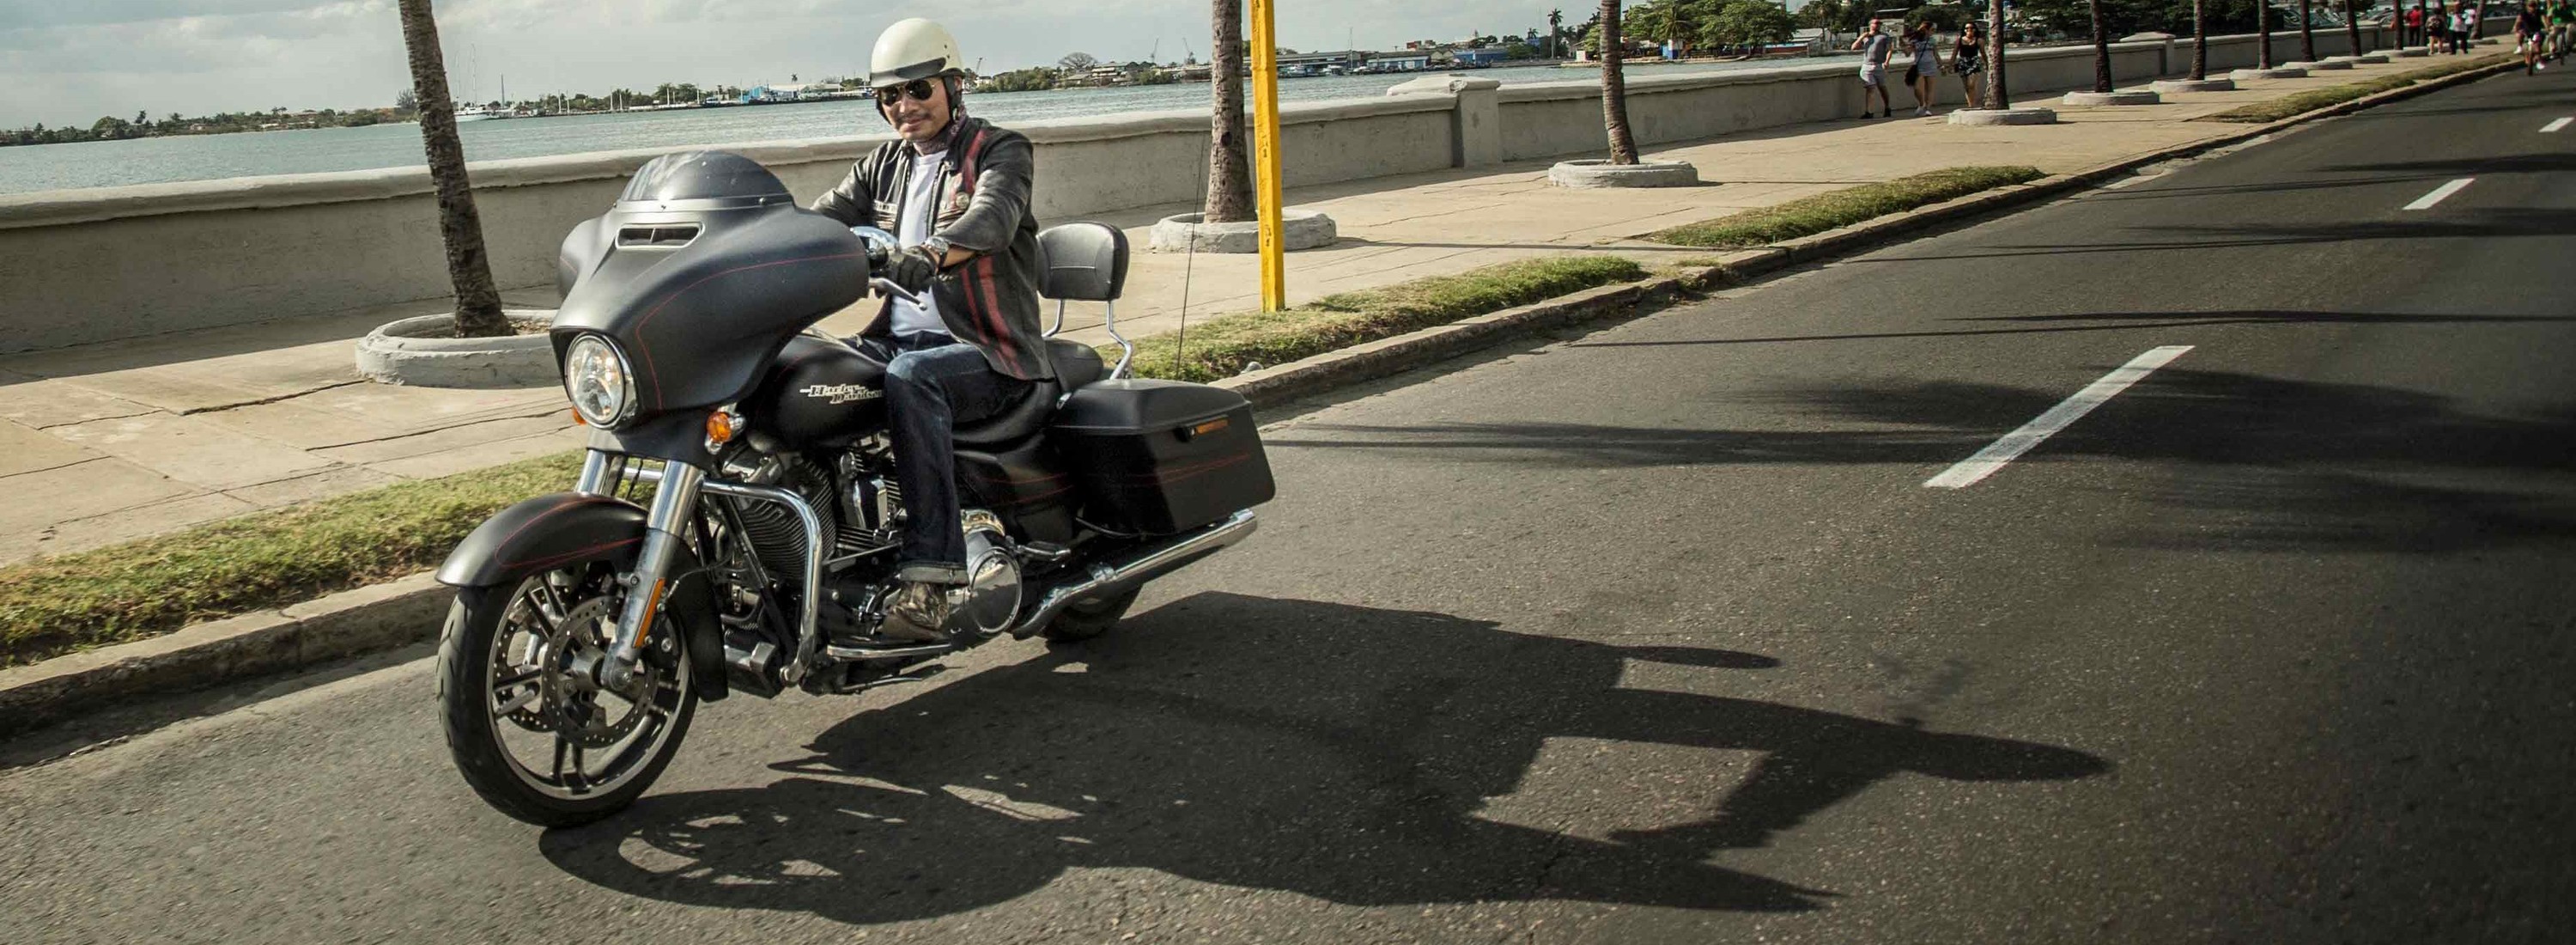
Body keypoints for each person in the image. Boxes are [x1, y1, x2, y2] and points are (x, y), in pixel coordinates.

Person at [809, 18, 1054, 641]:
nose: (904, 106)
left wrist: (930, 251)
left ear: (953, 85)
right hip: (895, 338)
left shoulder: (1000, 149)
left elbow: (992, 218)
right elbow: (822, 219)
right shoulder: (885, 162)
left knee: (912, 377)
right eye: (889, 96)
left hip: (987, 351)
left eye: (918, 89)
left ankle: (934, 575)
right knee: (804, 370)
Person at [1851, 19, 1896, 119]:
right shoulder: (1866, 37)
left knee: (1882, 88)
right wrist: (1862, 37)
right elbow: (1853, 47)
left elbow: (1889, 50)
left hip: (1879, 65)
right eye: (1876, 23)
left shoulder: (1884, 36)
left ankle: (1887, 107)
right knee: (1870, 88)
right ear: (1870, 25)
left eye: (1879, 24)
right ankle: (1869, 112)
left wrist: (1887, 61)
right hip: (1867, 65)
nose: (1878, 25)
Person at [1904, 21, 1941, 116]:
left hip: (1931, 65)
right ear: (1926, 30)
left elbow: (1936, 54)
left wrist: (1941, 65)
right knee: (1917, 88)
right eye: (1932, 30)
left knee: (1929, 89)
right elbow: (1908, 54)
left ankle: (1927, 108)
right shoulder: (1915, 40)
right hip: (1919, 65)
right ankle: (1921, 104)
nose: (1933, 32)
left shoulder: (1932, 40)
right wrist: (1905, 47)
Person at [1953, 21, 1987, 110]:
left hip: (1974, 62)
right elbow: (1954, 53)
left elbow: (1983, 54)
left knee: (1972, 85)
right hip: (1963, 63)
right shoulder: (1960, 40)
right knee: (1967, 87)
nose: (1969, 30)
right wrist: (1950, 65)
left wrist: (1986, 64)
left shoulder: (1979, 41)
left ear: (1975, 29)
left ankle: (1973, 104)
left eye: (1971, 28)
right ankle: (1971, 105)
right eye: (1967, 28)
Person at [2517, 0, 2546, 70]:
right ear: (2527, 7)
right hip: (2526, 31)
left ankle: (2538, 57)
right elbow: (2518, 21)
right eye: (2530, 6)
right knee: (2523, 38)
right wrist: (2516, 28)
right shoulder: (2523, 13)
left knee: (2537, 45)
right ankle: (2520, 48)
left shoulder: (2539, 12)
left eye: (2534, 6)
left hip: (2537, 31)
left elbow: (2544, 19)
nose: (2532, 8)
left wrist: (2547, 26)